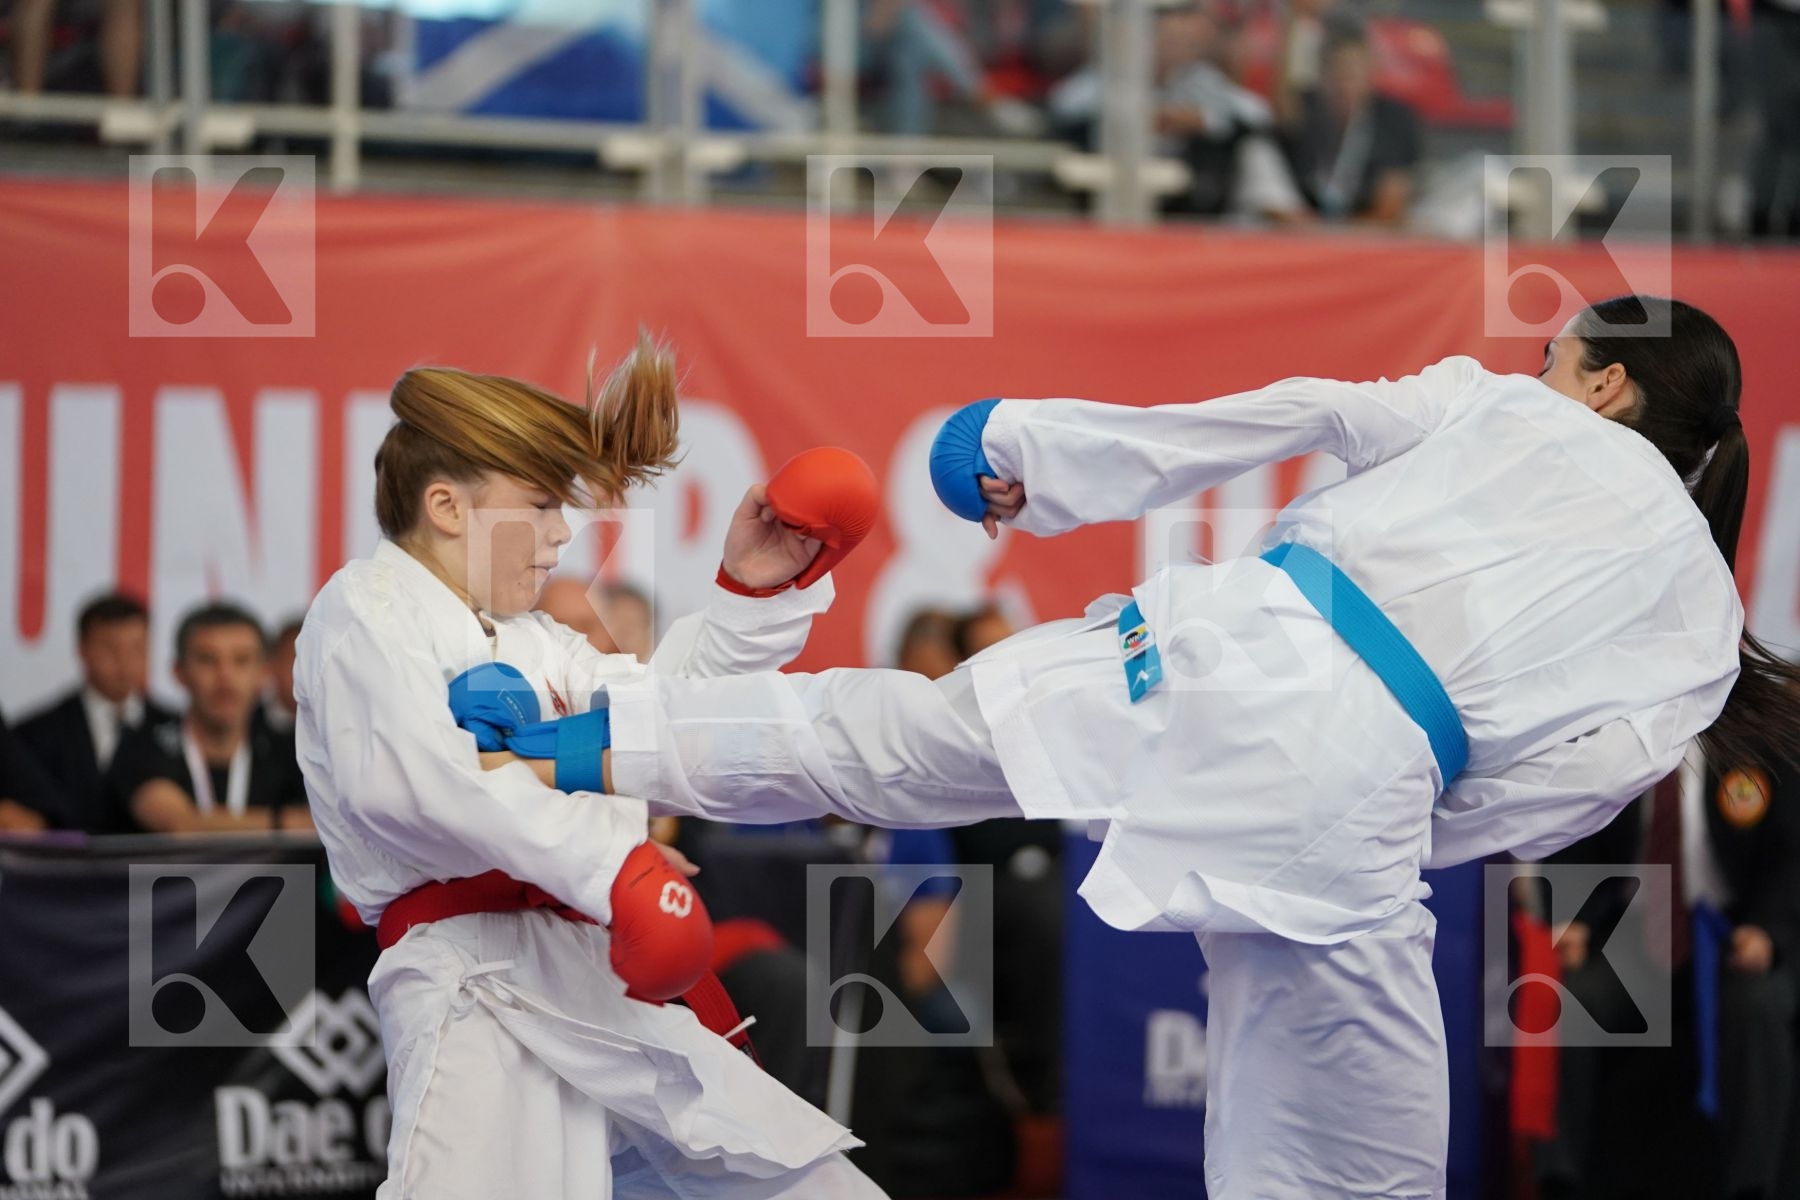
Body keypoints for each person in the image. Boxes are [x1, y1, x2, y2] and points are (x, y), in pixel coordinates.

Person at [481, 296, 1800, 1199]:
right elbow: (1560, 798)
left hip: (1227, 644)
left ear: (1609, 382)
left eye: (1560, 357)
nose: (1539, 373)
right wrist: (1398, 808)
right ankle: (605, 732)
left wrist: (1024, 449)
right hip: (1374, 787)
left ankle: (593, 731)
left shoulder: (1501, 410)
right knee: (1359, 1151)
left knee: (895, 741)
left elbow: (1292, 413)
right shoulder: (1702, 619)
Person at [291, 337, 886, 1199]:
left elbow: (654, 725)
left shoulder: (542, 643)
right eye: (538, 506)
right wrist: (616, 867)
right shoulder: (363, 610)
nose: (561, 534)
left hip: (594, 973)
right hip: (473, 987)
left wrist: (751, 595)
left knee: (808, 1185)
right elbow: (415, 784)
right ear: (450, 507)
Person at [110, 602, 312, 834]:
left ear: (264, 673)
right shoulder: (143, 745)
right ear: (179, 672)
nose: (225, 676)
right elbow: (181, 826)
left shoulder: (292, 752)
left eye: (241, 660)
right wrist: (288, 824)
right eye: (207, 660)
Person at [17, 591, 176, 833]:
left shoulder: (176, 728)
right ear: (82, 649)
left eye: (137, 648)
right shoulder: (36, 733)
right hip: (65, 866)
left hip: (149, 868)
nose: (124, 662)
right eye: (110, 649)